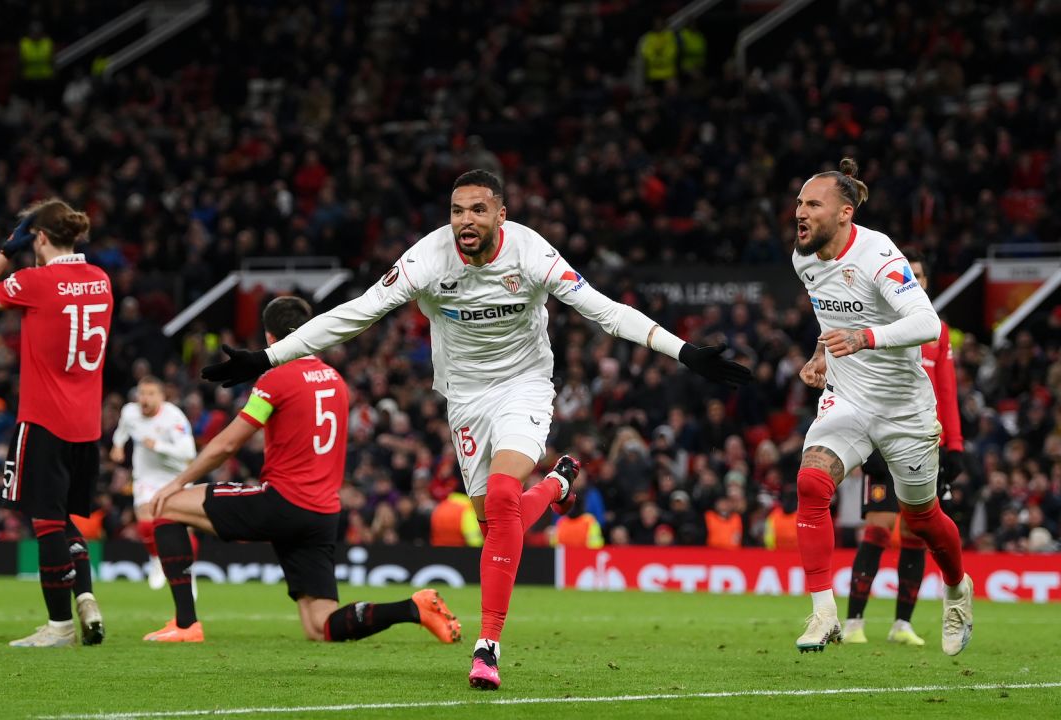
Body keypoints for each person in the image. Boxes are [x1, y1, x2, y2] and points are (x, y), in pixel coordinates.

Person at [200, 170, 750, 689]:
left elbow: (603, 310)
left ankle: (487, 647)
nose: (465, 220)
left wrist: (685, 351)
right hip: (464, 398)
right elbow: (357, 312)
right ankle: (555, 488)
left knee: (505, 496)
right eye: (458, 210)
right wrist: (267, 359)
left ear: (501, 216)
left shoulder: (532, 253)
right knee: (495, 523)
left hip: (525, 386)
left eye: (478, 210)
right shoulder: (427, 258)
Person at [150, 297, 463, 646]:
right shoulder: (336, 381)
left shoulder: (275, 379)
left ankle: (185, 623)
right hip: (322, 514)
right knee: (321, 627)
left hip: (283, 501)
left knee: (166, 506)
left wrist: (178, 481)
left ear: (270, 338)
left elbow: (228, 444)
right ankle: (412, 608)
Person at [791, 158, 971, 656]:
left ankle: (957, 589)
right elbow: (829, 312)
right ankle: (824, 611)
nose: (799, 213)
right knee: (811, 483)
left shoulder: (880, 257)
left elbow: (927, 324)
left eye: (812, 204)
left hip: (903, 410)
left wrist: (864, 337)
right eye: (799, 204)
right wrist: (820, 353)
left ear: (845, 212)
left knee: (922, 517)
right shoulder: (803, 257)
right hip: (847, 398)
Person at [0, 199, 113, 648]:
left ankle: (59, 626)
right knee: (65, 518)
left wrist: (7, 251)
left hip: (44, 419)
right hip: (86, 425)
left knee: (47, 523)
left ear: (39, 238)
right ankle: (85, 596)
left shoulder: (35, 281)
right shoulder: (102, 280)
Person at [843, 257, 966, 646]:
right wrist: (866, 440)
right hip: (882, 438)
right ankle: (854, 623)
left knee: (916, 532)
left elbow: (946, 390)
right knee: (878, 526)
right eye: (906, 273)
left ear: (925, 282)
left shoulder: (937, 331)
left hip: (924, 440)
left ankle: (902, 625)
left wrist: (955, 445)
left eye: (919, 274)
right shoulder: (875, 323)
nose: (914, 280)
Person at [109, 376, 200, 636]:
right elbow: (123, 430)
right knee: (146, 518)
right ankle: (155, 559)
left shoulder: (174, 418)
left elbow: (189, 453)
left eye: (150, 393)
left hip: (177, 477)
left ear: (162, 396)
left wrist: (157, 445)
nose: (144, 399)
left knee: (183, 530)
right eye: (141, 393)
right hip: (146, 478)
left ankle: (187, 575)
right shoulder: (130, 412)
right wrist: (117, 446)